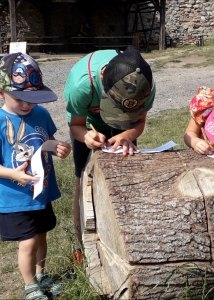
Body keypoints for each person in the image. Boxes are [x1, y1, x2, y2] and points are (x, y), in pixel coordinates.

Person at [0, 52, 72, 300]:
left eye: (33, 99)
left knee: (42, 235)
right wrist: (12, 174)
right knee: (28, 241)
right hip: (15, 196)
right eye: (20, 99)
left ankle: (41, 275)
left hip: (41, 191)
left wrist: (59, 147)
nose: (27, 105)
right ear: (0, 93)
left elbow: (47, 142)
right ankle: (30, 285)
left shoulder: (40, 114)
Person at [63, 46, 156, 242]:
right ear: (103, 77)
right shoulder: (82, 85)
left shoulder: (146, 86)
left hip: (125, 127)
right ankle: (82, 242)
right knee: (83, 182)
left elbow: (139, 123)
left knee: (127, 178)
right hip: (88, 125)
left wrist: (127, 135)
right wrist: (86, 137)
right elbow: (76, 126)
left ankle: (128, 236)